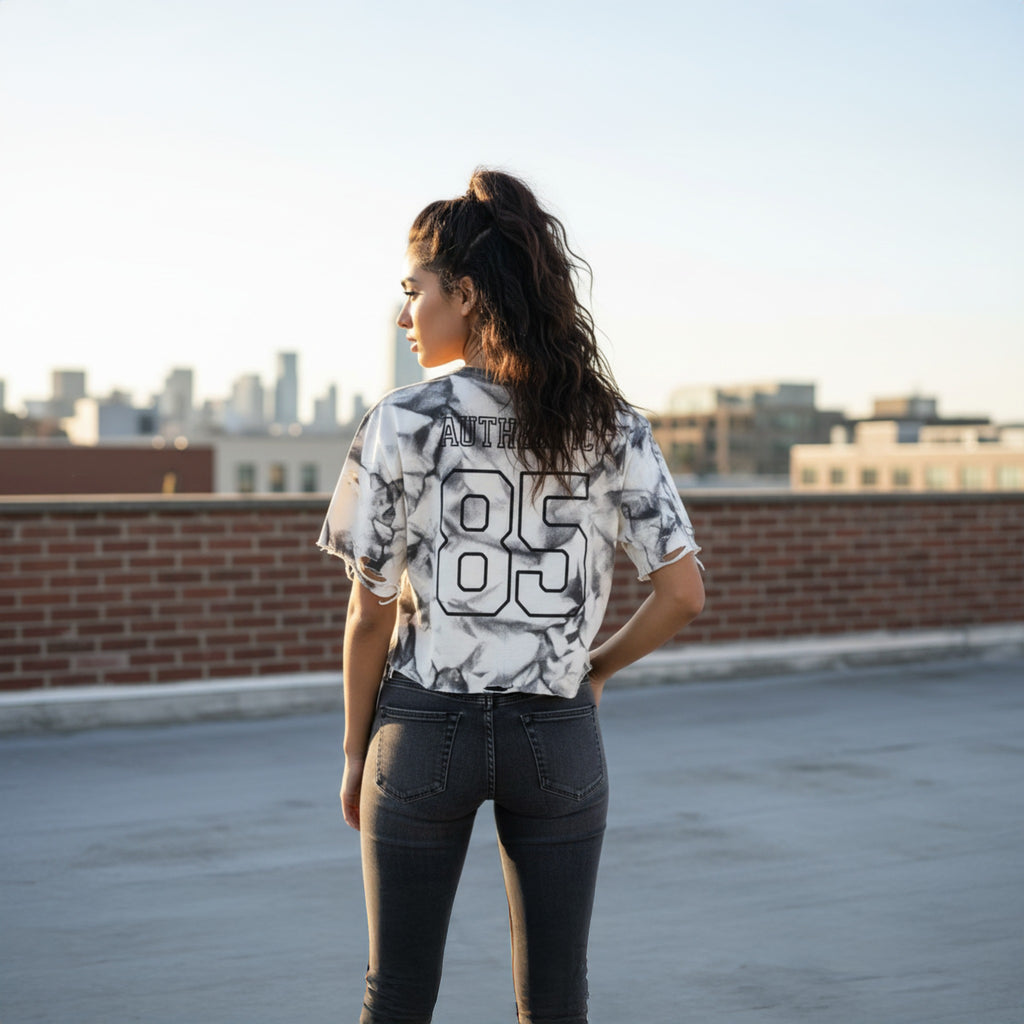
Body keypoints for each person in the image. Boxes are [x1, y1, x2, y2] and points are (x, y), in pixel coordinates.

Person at [318, 168, 704, 1024]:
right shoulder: (609, 423)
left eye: (413, 290)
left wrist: (355, 750)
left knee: (398, 997)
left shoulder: (402, 420)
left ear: (466, 292)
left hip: (419, 731)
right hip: (557, 733)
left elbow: (369, 612)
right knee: (557, 1001)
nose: (403, 312)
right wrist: (594, 671)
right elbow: (682, 592)